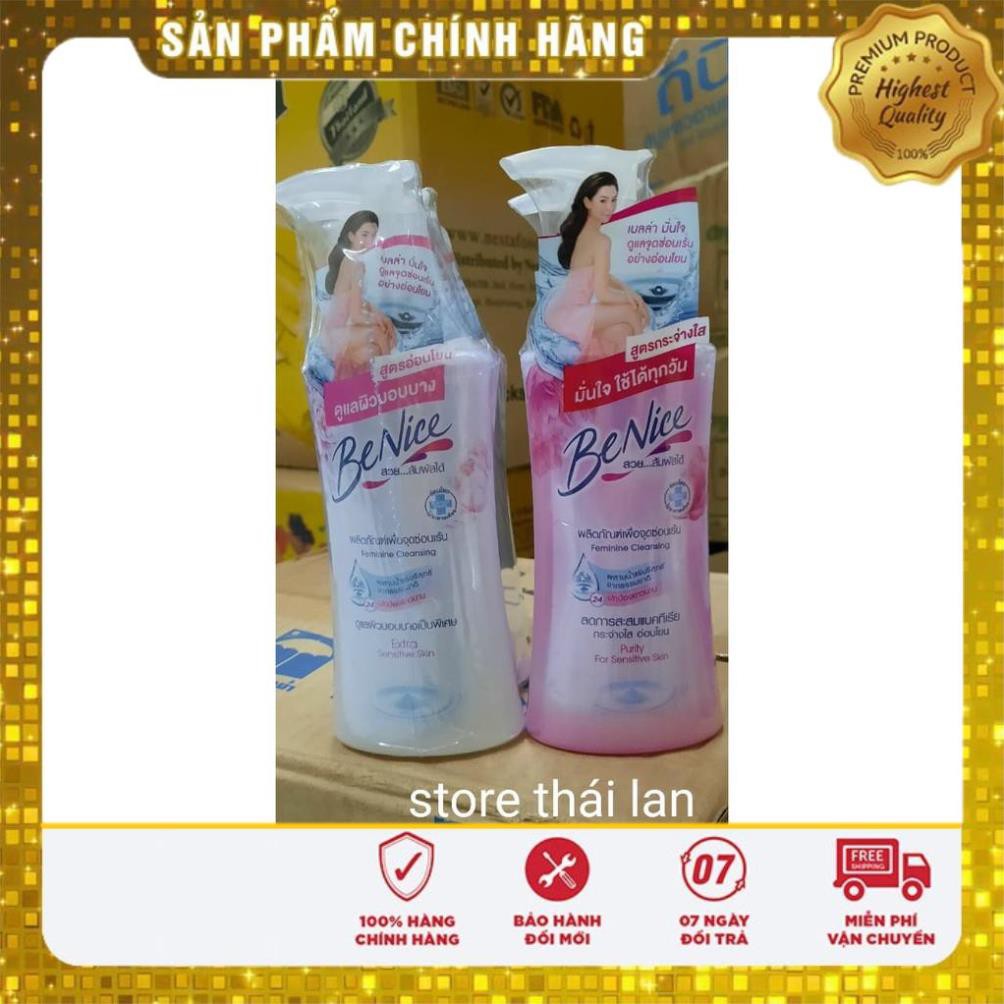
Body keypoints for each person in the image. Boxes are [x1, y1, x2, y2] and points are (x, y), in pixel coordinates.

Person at [544, 172, 649, 361]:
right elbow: (603, 294)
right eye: (603, 200)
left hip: (561, 311)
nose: (610, 207)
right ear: (587, 202)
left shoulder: (584, 234)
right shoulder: (600, 241)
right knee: (631, 312)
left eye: (613, 200)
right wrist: (633, 300)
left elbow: (600, 275)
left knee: (621, 331)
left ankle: (597, 368)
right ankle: (642, 363)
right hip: (572, 313)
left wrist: (628, 291)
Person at [322, 210, 397, 378]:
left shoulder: (355, 263)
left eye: (373, 236)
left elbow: (357, 301)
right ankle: (389, 378)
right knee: (379, 334)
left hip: (342, 331)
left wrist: (381, 316)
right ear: (351, 236)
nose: (370, 241)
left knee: (375, 346)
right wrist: (378, 321)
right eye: (365, 235)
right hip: (334, 334)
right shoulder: (353, 264)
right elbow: (356, 316)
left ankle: (371, 377)